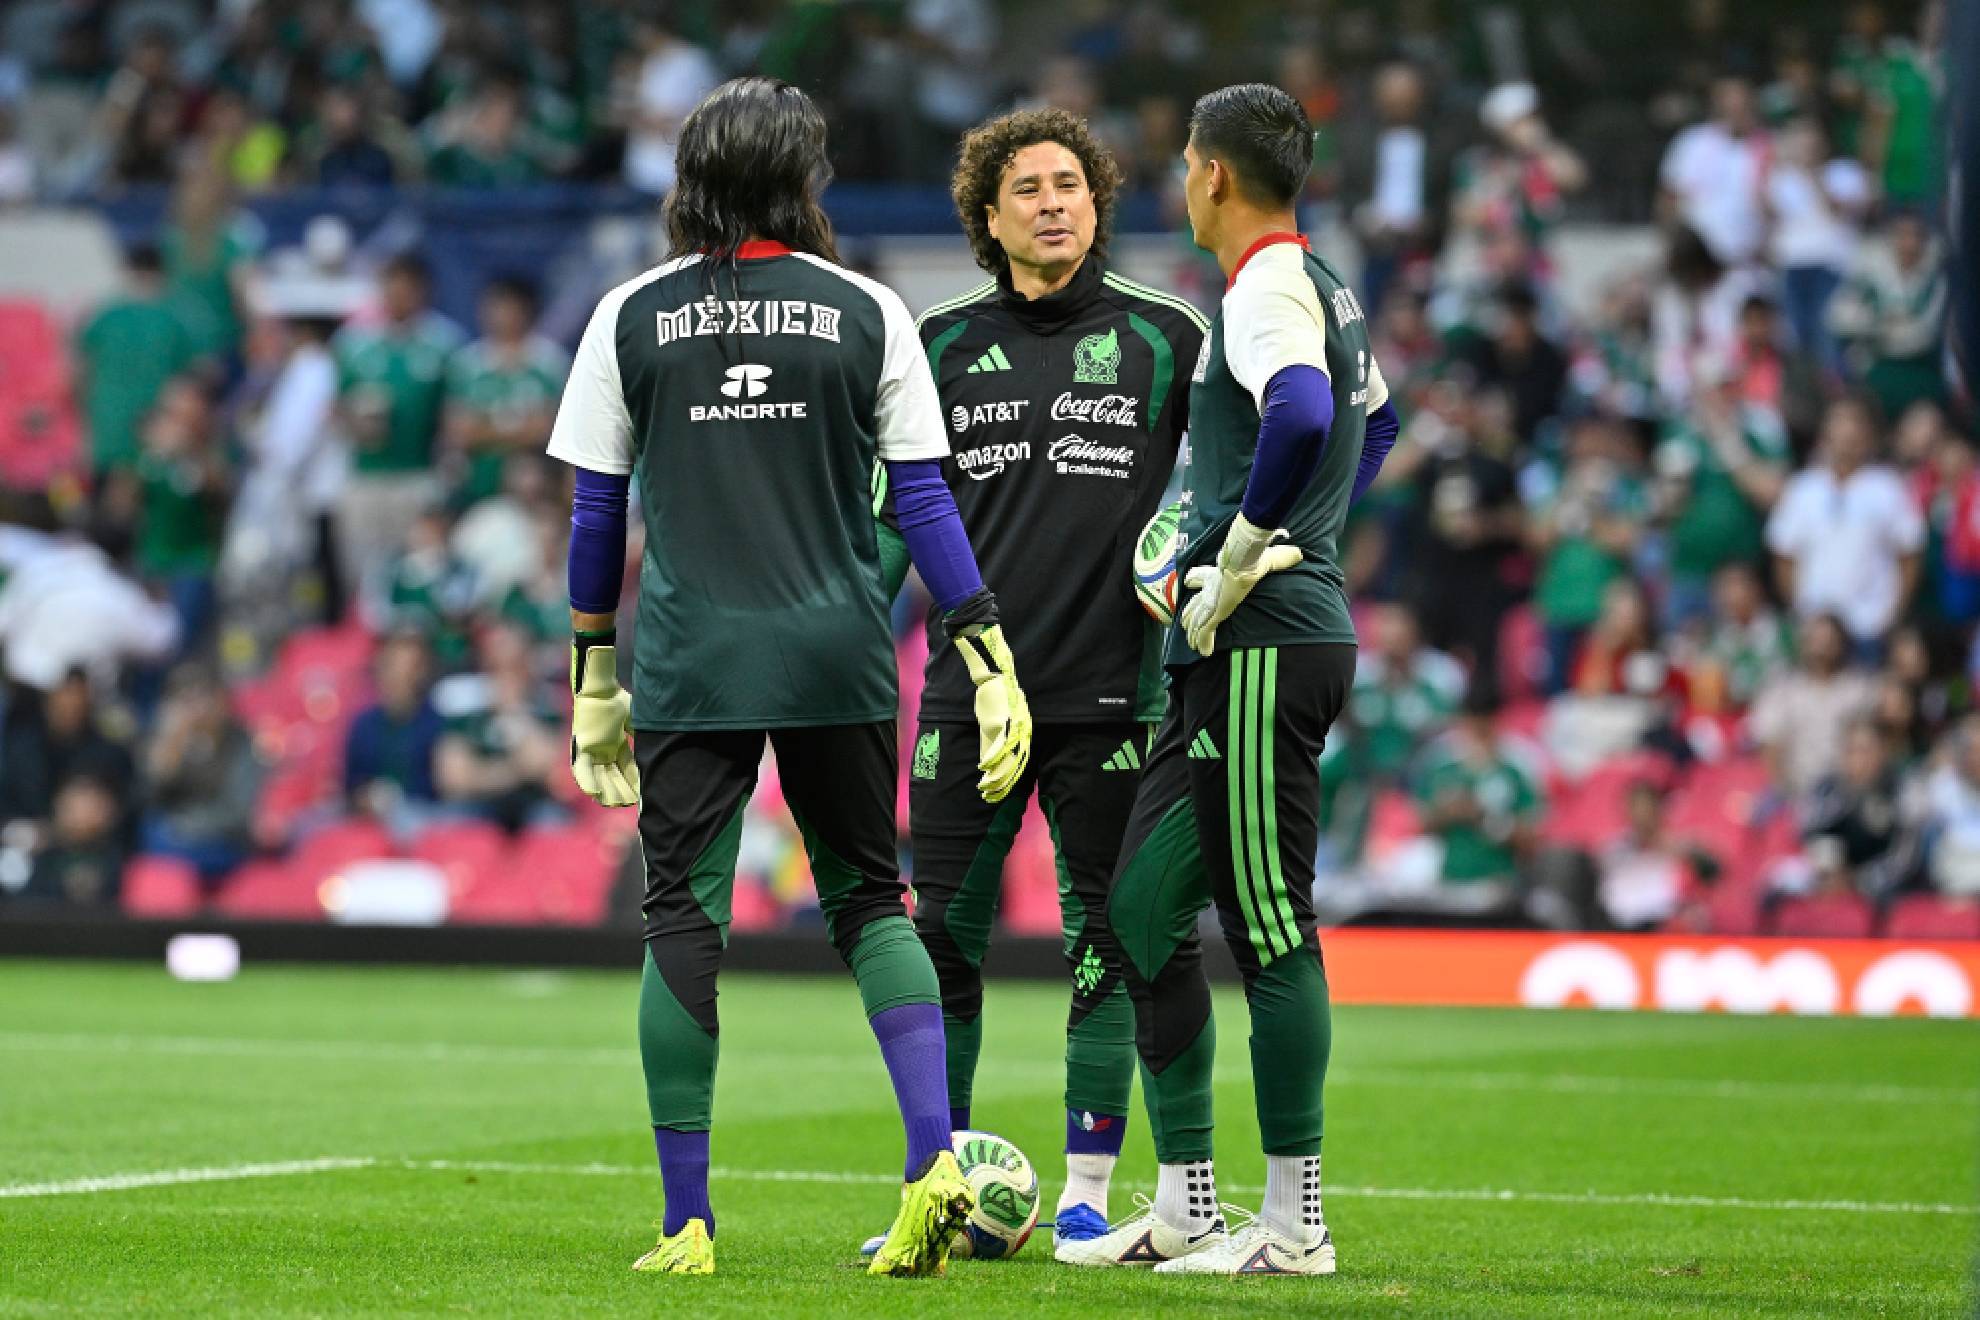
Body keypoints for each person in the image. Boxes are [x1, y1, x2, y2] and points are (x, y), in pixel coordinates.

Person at [545, 77, 1033, 1278]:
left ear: (692, 179)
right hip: (837, 650)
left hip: (695, 659)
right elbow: (921, 501)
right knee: (874, 904)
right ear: (802, 179)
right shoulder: (870, 310)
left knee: (681, 917)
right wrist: (985, 653)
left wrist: (591, 672)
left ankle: (687, 1225)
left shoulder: (630, 316)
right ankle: (933, 1171)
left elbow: (595, 514)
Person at [865, 106, 1203, 1258]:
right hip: (970, 697)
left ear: (1099, 199)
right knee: (941, 943)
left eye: (1072, 183)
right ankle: (935, 1182)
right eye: (1029, 188)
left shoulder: (1171, 337)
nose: (1056, 202)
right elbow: (894, 524)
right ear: (987, 215)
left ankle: (1086, 1196)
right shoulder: (937, 341)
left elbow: (1231, 475)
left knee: (1106, 942)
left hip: (1119, 693)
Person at [1074, 83, 1399, 1278]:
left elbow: (1308, 412)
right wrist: (1286, 530)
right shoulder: (1322, 284)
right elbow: (1385, 423)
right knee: (1144, 912)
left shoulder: (1264, 284)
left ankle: (1298, 1226)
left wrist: (1253, 547)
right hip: (1233, 644)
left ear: (1210, 172)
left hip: (1263, 640)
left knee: (1268, 922)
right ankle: (1187, 1208)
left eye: (1181, 166)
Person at [1766, 395, 1924, 651]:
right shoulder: (1802, 489)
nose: (1847, 431)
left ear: (1870, 434)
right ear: (1826, 431)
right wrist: (1801, 610)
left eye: (1856, 422)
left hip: (1870, 627)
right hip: (1815, 628)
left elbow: (1909, 554)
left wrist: (1893, 613)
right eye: (1839, 421)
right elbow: (1784, 556)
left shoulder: (1889, 488)